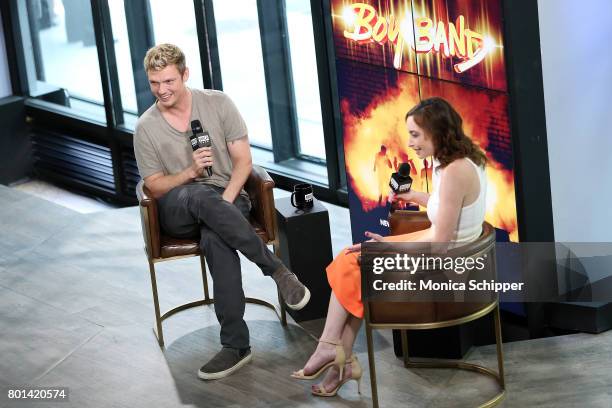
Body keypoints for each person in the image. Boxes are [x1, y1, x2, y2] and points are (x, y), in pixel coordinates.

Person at [133, 44, 310, 380]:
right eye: (155, 83)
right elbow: (154, 186)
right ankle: (277, 270)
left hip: (228, 197)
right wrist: (189, 173)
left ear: (185, 74)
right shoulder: (146, 127)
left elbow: (244, 162)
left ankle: (235, 345)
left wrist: (225, 203)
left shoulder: (218, 103)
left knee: (217, 238)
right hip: (179, 204)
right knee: (198, 197)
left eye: (169, 80)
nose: (162, 90)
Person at [291, 97, 488, 396]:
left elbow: (440, 244)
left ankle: (332, 353)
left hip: (448, 266)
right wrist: (415, 197)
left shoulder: (456, 171)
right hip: (442, 249)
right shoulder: (456, 161)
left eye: (415, 135)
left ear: (437, 132)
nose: (409, 143)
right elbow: (449, 207)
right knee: (353, 260)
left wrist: (389, 250)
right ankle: (336, 358)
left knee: (356, 264)